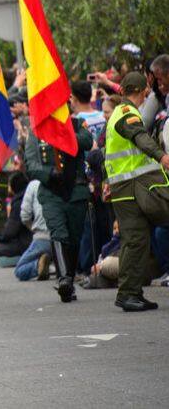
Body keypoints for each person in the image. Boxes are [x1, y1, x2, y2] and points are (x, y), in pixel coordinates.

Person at [104, 72, 169, 311]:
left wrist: (106, 181)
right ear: (142, 91)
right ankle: (128, 294)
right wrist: (162, 156)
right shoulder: (126, 113)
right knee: (135, 241)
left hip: (126, 186)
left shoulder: (118, 114)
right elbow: (139, 137)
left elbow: (108, 151)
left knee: (137, 240)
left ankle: (132, 293)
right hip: (131, 187)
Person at [25, 117, 92, 303]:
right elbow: (30, 164)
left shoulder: (77, 123)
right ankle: (64, 279)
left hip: (76, 190)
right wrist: (48, 174)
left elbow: (87, 141)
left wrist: (63, 134)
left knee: (74, 237)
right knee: (58, 232)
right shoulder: (37, 131)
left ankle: (69, 277)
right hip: (51, 192)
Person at [14, 179, 53, 281]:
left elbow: (25, 216)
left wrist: (34, 229)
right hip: (64, 237)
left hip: (43, 236)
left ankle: (38, 265)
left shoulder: (34, 184)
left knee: (19, 270)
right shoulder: (64, 180)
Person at [0, 172, 32, 260]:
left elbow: (10, 231)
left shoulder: (18, 203)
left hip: (25, 242)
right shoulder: (29, 196)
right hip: (33, 238)